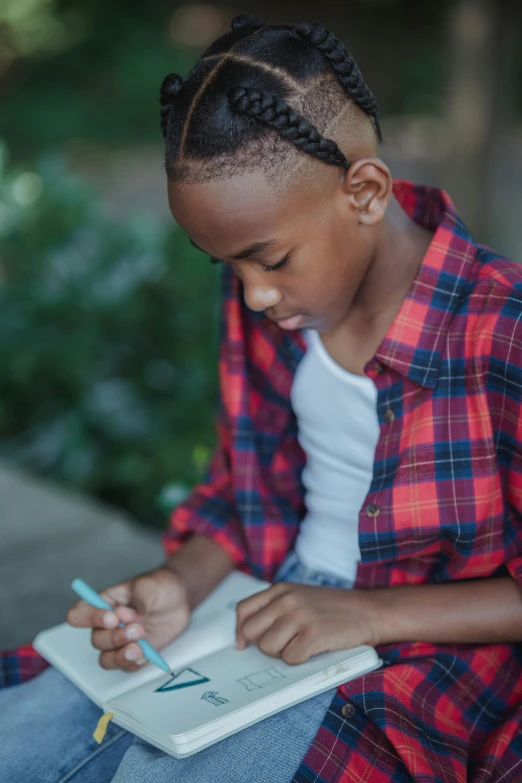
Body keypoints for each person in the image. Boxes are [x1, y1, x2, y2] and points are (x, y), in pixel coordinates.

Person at [2, 13, 522, 783]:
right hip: (263, 607)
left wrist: (367, 613)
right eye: (227, 266)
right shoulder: (281, 304)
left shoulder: (499, 330)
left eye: (267, 259)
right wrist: (179, 584)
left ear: (366, 191)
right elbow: (250, 498)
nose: (252, 295)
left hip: (421, 651)